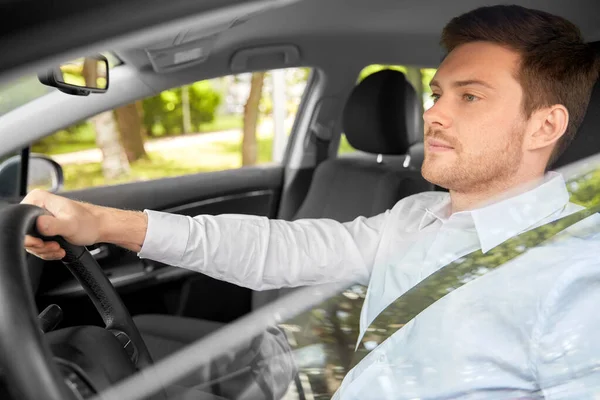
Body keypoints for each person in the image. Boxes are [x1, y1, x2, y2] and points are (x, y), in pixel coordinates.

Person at [22, 4, 600, 399]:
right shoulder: (420, 217)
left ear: (543, 125)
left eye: (470, 96)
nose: (434, 113)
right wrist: (101, 221)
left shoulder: (575, 277)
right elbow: (280, 249)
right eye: (437, 92)